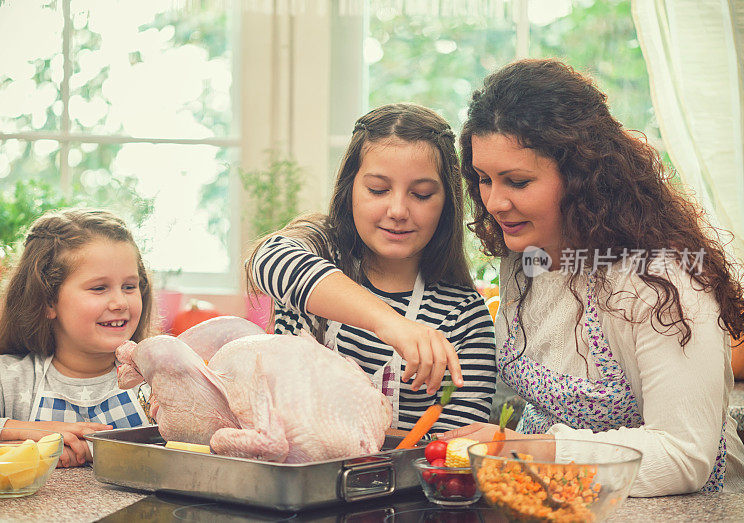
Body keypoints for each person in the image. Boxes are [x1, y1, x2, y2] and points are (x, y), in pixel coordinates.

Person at [443, 58, 744, 496]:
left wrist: (524, 449)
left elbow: (683, 457)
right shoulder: (526, 258)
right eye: (484, 180)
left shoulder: (662, 282)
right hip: (544, 494)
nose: (493, 202)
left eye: (518, 182)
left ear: (582, 174)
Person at [246, 103, 497, 432]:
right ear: (350, 188)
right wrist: (391, 323)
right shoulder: (323, 249)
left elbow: (453, 451)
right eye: (378, 190)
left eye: (421, 195)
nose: (398, 210)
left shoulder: (463, 314)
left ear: (446, 203)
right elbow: (267, 258)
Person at [0, 209, 157, 467]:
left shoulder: (157, 380)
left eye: (129, 286)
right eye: (99, 288)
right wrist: (24, 437)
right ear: (47, 300)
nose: (120, 302)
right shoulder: (5, 381)